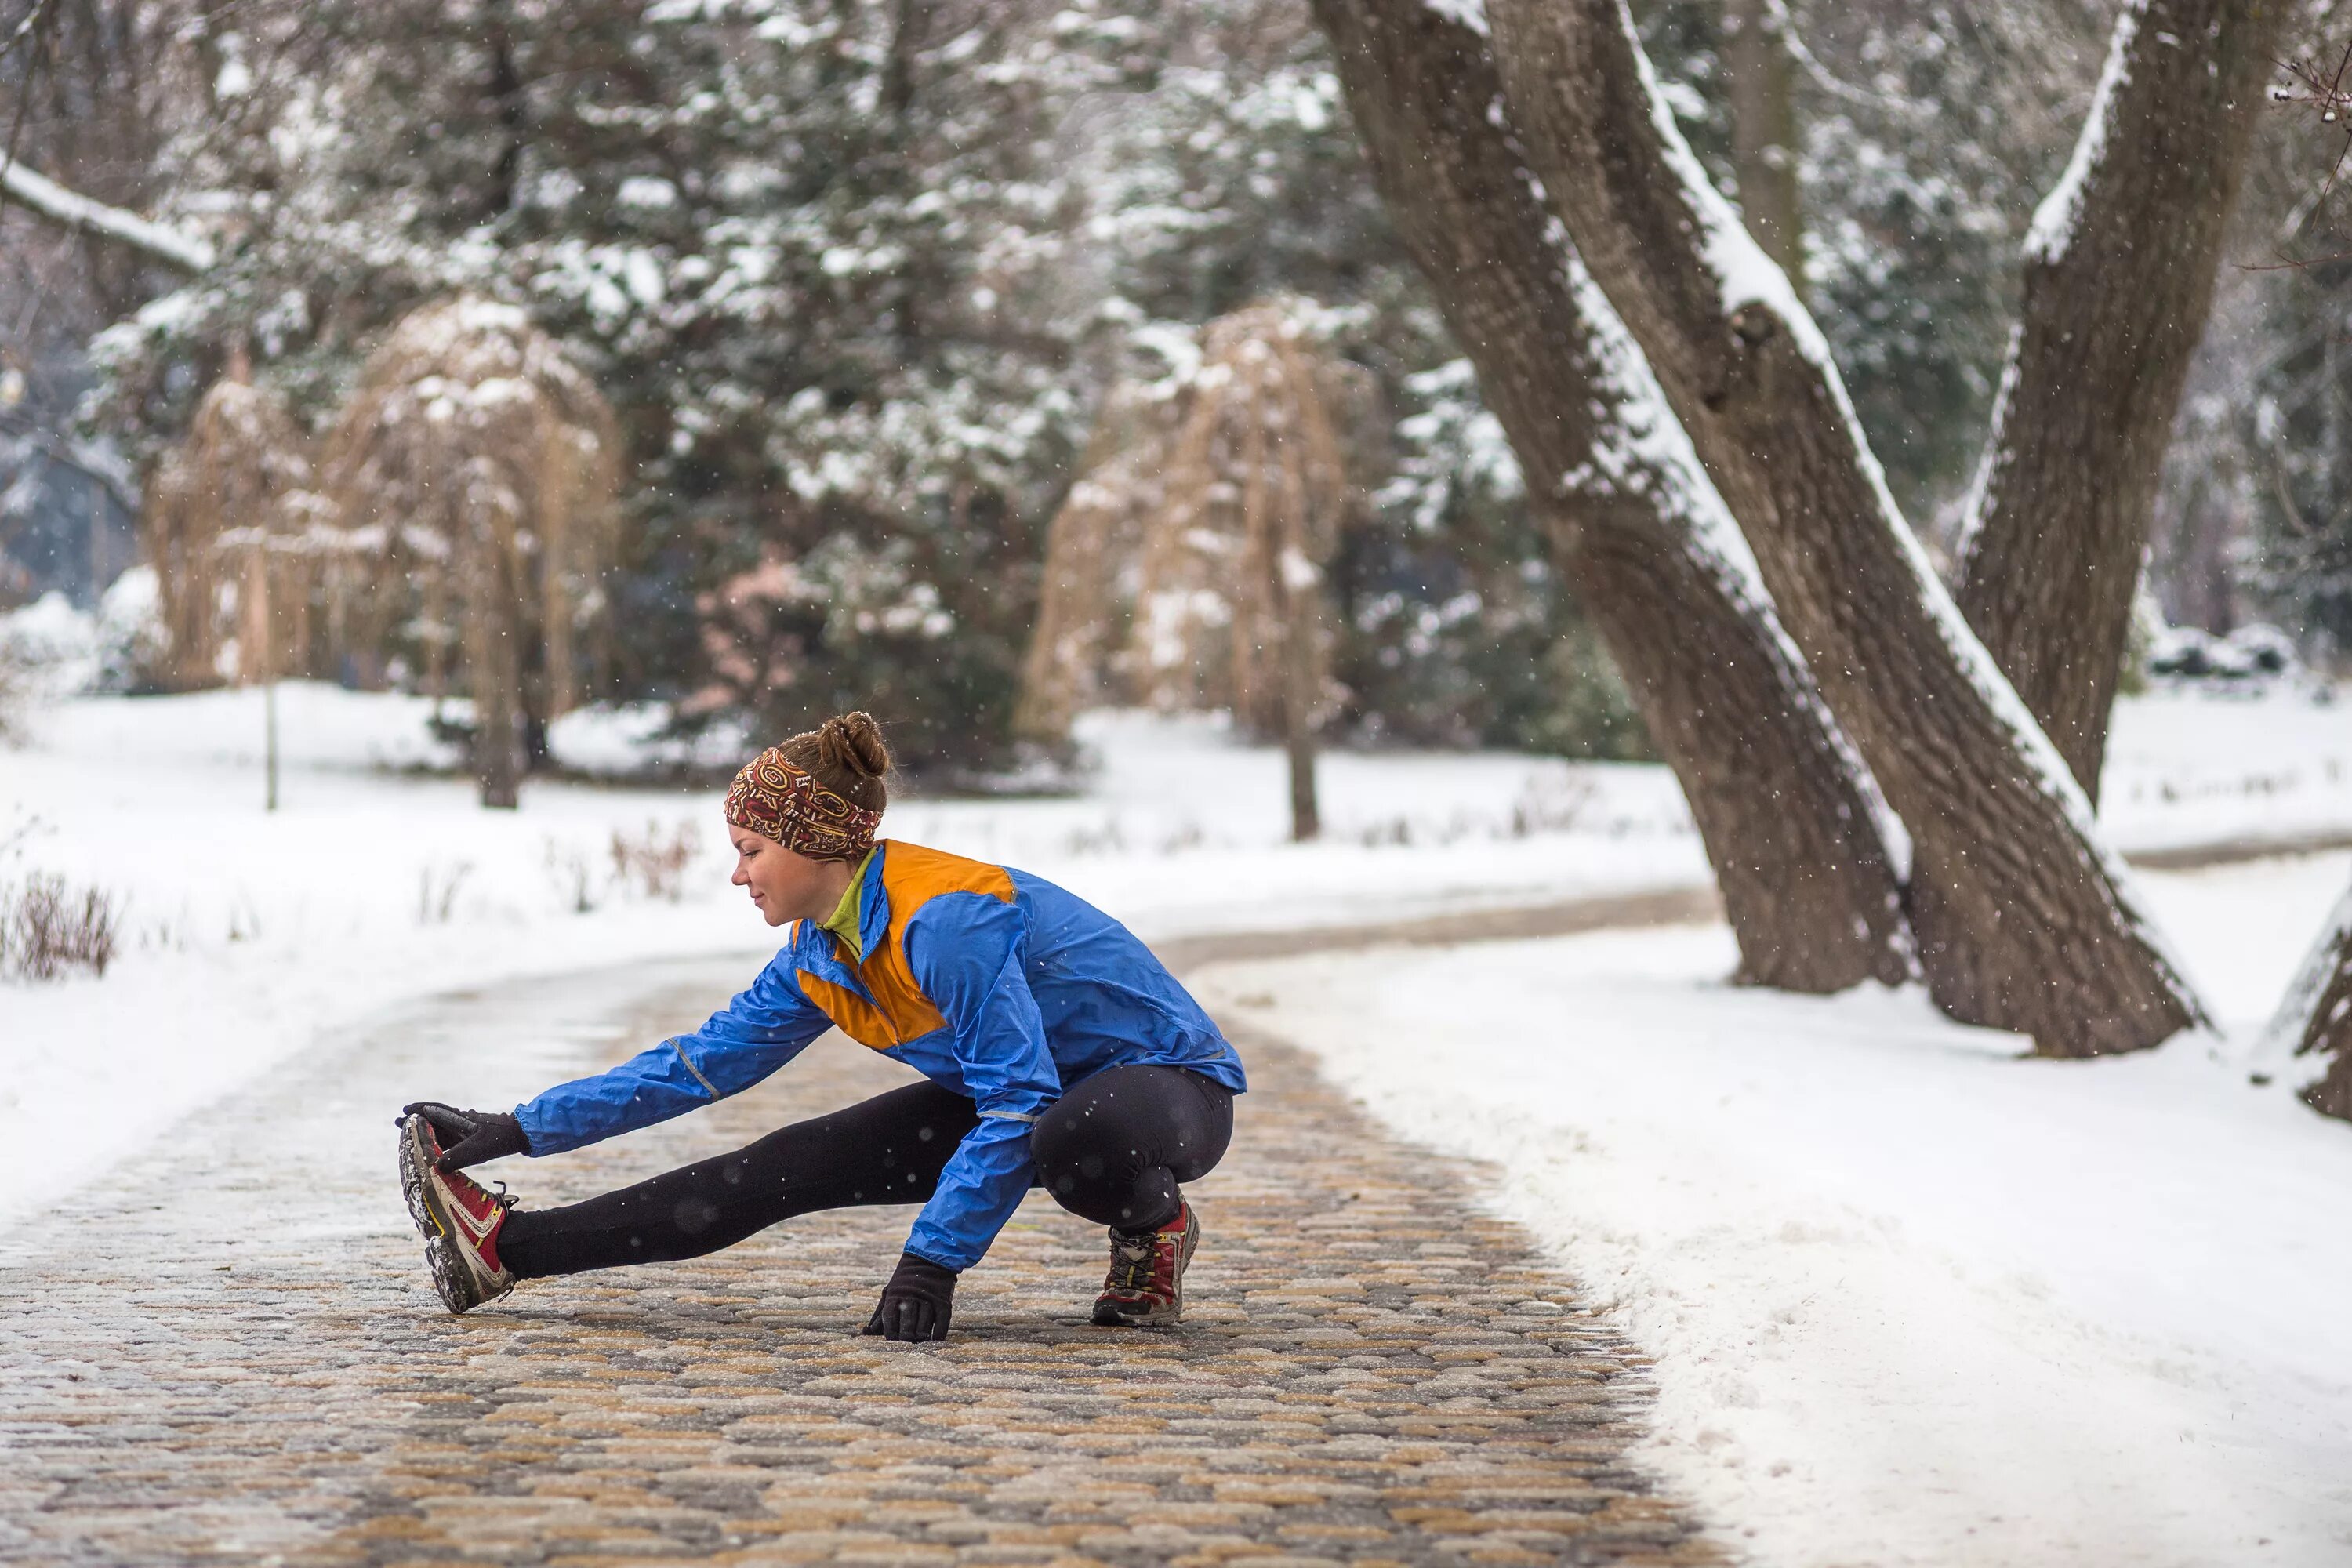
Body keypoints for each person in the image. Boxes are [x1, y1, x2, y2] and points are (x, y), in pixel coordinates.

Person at [395, 711, 1245, 1342]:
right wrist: (517, 1127)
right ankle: (509, 1249)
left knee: (1070, 1134)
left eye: (751, 848)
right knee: (779, 1165)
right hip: (1034, 1092)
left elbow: (1017, 1101)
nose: (739, 874)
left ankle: (1152, 1224)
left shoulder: (945, 920)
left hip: (1168, 1090)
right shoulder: (820, 951)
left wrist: (930, 1264)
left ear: (816, 844)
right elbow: (694, 1065)